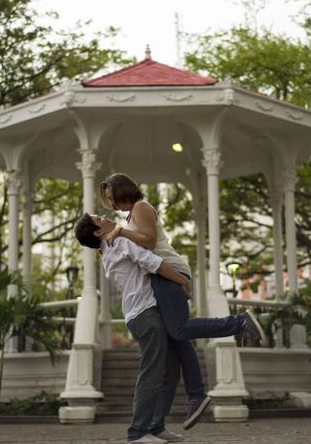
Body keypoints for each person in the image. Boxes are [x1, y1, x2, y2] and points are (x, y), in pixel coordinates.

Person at [99, 173, 266, 430]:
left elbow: (150, 241)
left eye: (112, 198)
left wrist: (121, 232)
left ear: (123, 192)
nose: (110, 204)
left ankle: (239, 322)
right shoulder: (129, 216)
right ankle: (196, 396)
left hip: (168, 269)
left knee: (179, 328)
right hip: (160, 274)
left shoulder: (140, 207)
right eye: (108, 200)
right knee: (178, 338)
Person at [75, 213, 186, 444]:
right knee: (152, 373)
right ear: (98, 231)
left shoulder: (107, 250)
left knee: (171, 370)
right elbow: (153, 263)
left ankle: (156, 426)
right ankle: (137, 432)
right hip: (146, 314)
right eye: (99, 217)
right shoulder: (119, 242)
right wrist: (183, 281)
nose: (105, 215)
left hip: (141, 313)